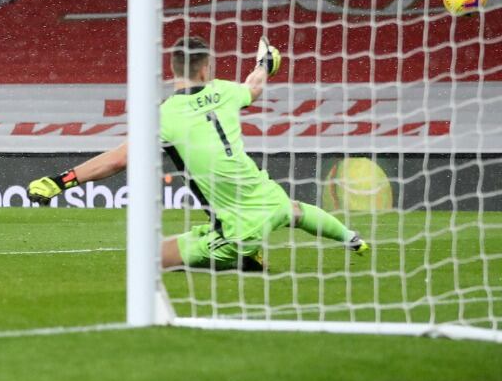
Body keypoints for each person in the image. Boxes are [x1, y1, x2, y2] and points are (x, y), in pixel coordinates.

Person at [26, 36, 369, 270]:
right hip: (268, 198)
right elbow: (255, 84)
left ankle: (241, 258)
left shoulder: (164, 115)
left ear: (173, 70)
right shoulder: (227, 91)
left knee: (148, 261)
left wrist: (61, 181)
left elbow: (118, 160)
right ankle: (352, 238)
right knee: (294, 210)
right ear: (205, 69)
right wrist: (266, 62)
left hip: (238, 232)